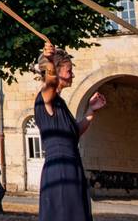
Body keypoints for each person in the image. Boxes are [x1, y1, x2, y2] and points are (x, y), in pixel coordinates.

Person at [35, 42, 106, 221]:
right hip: (60, 170)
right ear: (57, 72)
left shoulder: (60, 103)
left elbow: (75, 132)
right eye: (68, 70)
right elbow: (50, 83)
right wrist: (50, 61)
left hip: (72, 167)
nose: (72, 74)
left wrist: (91, 110)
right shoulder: (45, 98)